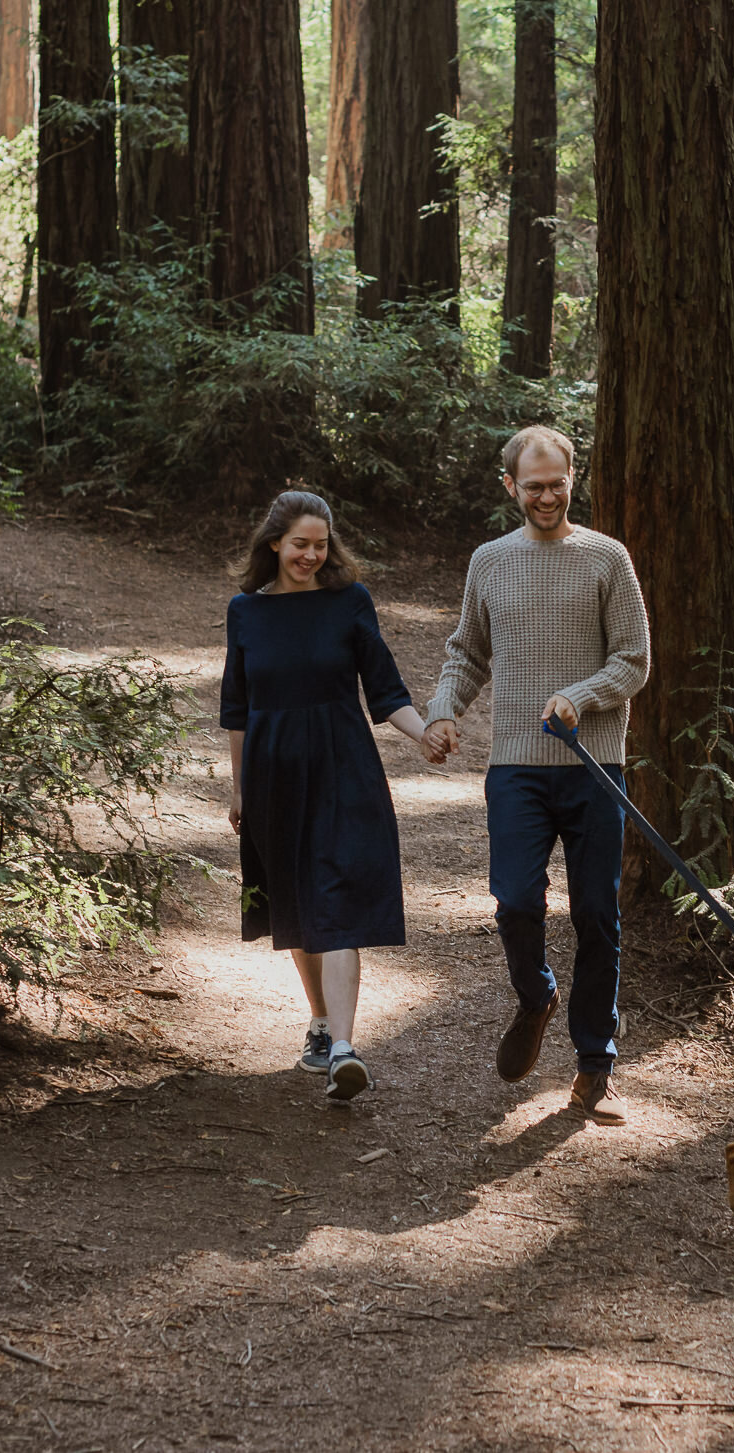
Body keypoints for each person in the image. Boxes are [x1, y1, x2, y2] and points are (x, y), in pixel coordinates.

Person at [422, 426, 651, 1124]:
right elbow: (467, 652)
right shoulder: (489, 561)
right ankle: (536, 995)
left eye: (557, 483)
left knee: (595, 914)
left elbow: (634, 659)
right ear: (510, 487)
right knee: (516, 900)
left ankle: (593, 1065)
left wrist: (578, 697)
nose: (546, 495)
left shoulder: (606, 557)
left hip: (593, 766)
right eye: (533, 485)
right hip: (516, 763)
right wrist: (440, 712)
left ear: (573, 478)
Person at [221, 491, 443, 1102]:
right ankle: (320, 1021)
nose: (311, 556)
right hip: (272, 772)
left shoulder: (350, 602)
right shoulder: (246, 611)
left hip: (344, 766)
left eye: (321, 545)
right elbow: (236, 709)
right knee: (294, 898)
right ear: (274, 544)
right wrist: (238, 788)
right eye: (300, 545)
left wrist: (424, 733)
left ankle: (344, 1047)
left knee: (339, 893)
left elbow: (386, 689)